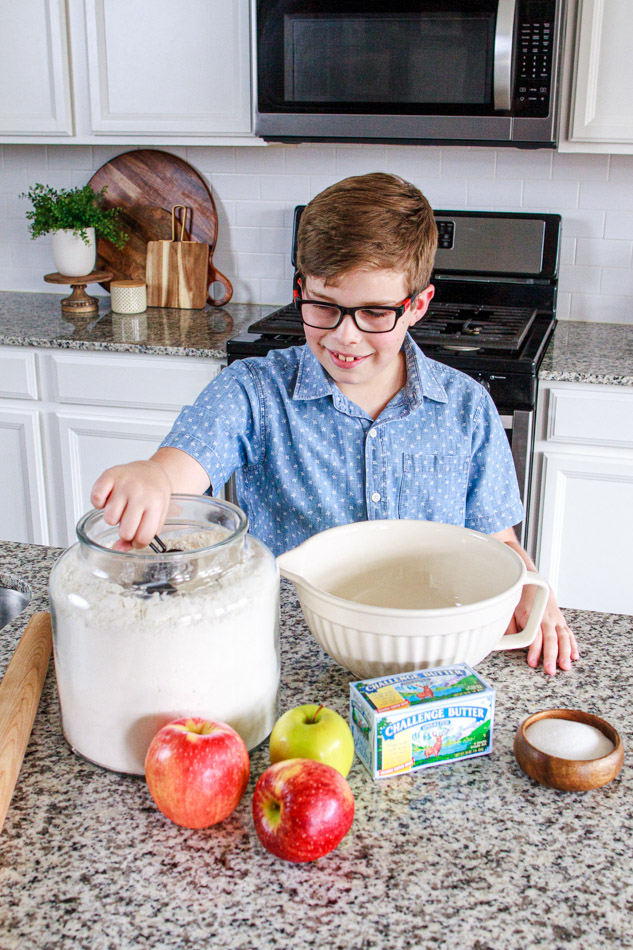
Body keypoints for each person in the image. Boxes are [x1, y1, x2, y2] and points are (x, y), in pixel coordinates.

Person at [91, 172, 578, 676]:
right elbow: (179, 470)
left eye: (373, 313)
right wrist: (152, 477)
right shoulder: (255, 391)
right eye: (324, 306)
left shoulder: (467, 408)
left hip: (429, 655)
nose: (345, 337)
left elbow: (496, 541)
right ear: (300, 289)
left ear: (417, 306)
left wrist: (534, 598)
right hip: (288, 653)